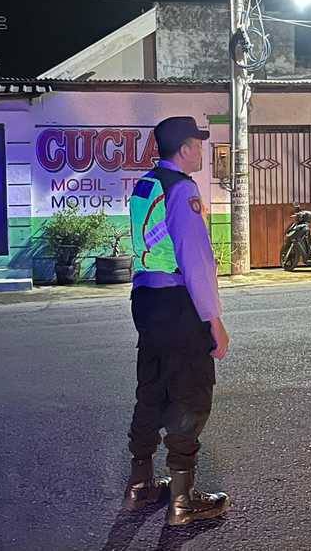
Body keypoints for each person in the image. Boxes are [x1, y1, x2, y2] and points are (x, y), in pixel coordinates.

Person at [120, 115, 232, 526]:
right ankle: (182, 500)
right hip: (177, 302)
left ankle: (140, 485)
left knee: (152, 389)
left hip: (146, 299)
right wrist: (214, 320)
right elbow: (196, 261)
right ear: (184, 149)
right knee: (189, 393)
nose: (202, 151)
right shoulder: (182, 189)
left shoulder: (146, 185)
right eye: (197, 144)